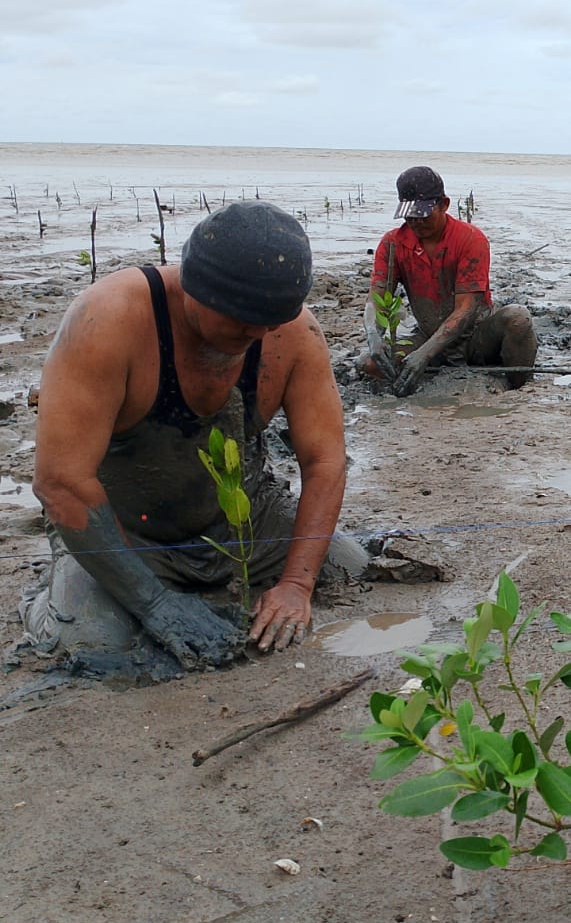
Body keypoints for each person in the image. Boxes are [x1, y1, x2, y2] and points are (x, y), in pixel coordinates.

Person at [21, 200, 375, 678]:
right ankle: (58, 586)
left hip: (243, 518)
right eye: (240, 320)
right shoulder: (109, 320)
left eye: (268, 322)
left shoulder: (293, 332)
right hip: (129, 532)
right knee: (92, 644)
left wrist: (296, 583)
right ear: (193, 285)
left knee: (352, 567)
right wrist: (153, 603)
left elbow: (325, 462)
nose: (256, 334)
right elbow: (60, 481)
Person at [358, 165, 538, 398]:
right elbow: (377, 299)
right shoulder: (393, 244)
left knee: (518, 318)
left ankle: (518, 387)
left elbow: (466, 309)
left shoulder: (470, 239)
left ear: (444, 204)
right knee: (368, 364)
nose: (415, 222)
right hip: (427, 334)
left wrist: (425, 355)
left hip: (476, 337)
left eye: (423, 215)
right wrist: (374, 335)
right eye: (409, 214)